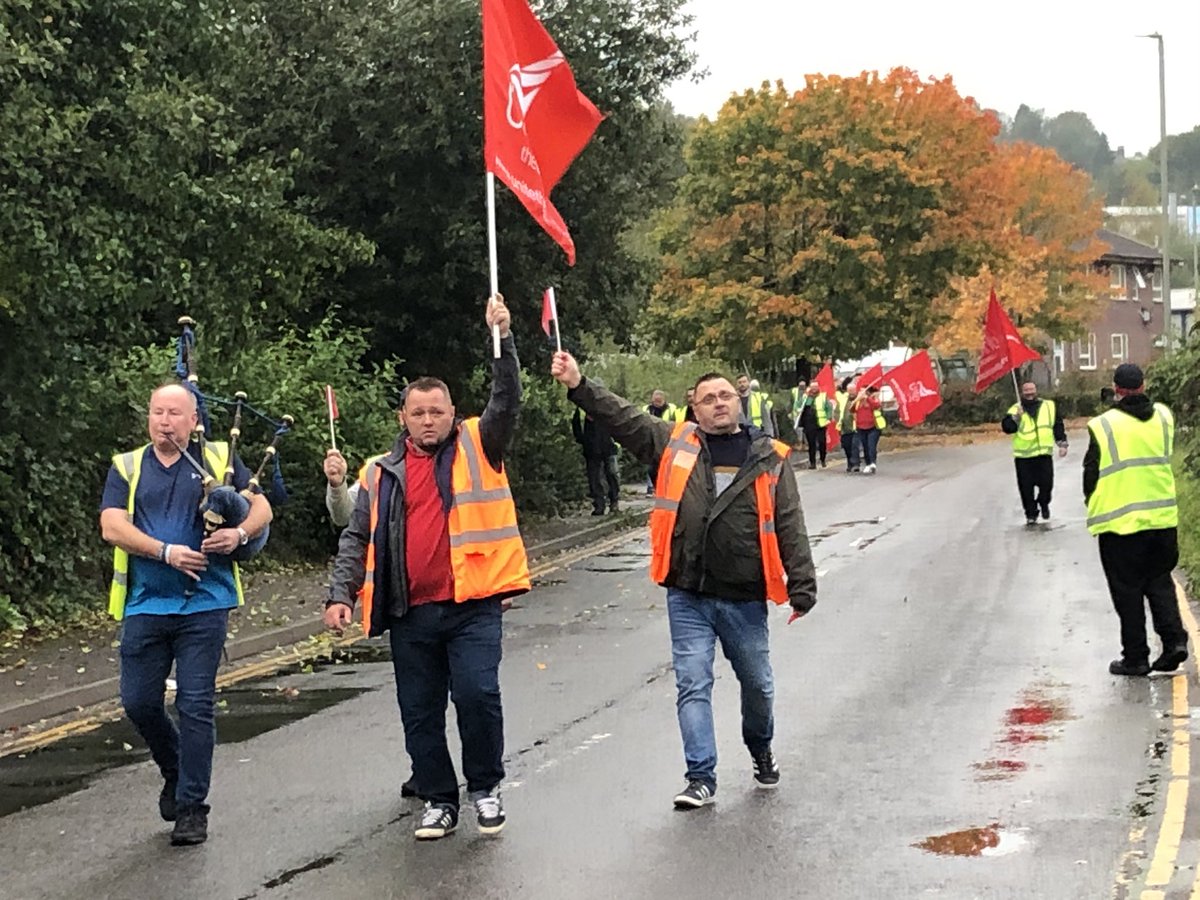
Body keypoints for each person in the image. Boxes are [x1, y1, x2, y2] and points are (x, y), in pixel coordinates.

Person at [550, 352, 818, 811]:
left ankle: (760, 748)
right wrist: (579, 384)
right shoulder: (673, 443)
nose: (718, 404)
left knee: (758, 686)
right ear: (694, 409)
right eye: (708, 399)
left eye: (725, 397)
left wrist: (803, 584)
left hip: (743, 595)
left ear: (739, 402)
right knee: (693, 684)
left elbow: (790, 522)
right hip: (688, 593)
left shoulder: (770, 458)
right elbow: (622, 417)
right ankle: (700, 777)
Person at [324, 296, 529, 841]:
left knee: (477, 695)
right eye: (418, 412)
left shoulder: (481, 444)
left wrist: (503, 341)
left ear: (452, 412)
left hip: (473, 606)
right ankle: (439, 798)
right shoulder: (378, 472)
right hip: (409, 611)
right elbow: (355, 535)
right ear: (404, 418)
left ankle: (485, 787)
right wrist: (340, 592)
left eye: (437, 410)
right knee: (419, 712)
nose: (429, 419)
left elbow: (507, 399)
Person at [99, 383, 273, 846]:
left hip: (206, 602)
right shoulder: (128, 465)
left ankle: (193, 808)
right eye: (157, 411)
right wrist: (165, 551)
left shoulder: (217, 458)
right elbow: (111, 525)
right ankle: (175, 769)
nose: (164, 420)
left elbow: (261, 508)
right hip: (146, 603)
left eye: (175, 412)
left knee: (195, 704)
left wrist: (238, 536)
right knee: (138, 702)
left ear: (194, 419)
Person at [1083, 364, 1188, 677]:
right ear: (1144, 385)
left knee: (1127, 593)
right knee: (1160, 582)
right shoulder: (1165, 417)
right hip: (1162, 518)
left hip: (1120, 524)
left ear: (1116, 389)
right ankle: (1174, 643)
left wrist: (1092, 500)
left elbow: (1091, 473)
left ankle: (1136, 658)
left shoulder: (1103, 425)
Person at [1001, 382, 1068, 525]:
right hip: (1023, 457)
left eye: (1031, 389)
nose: (1029, 392)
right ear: (1022, 392)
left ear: (1036, 390)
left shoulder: (1049, 406)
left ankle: (1043, 504)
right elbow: (1007, 428)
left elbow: (1057, 425)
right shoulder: (1015, 409)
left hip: (1043, 455)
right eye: (1026, 390)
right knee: (1026, 489)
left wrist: (1062, 443)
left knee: (1047, 486)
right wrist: (1016, 418)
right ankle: (1031, 514)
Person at [573, 406, 622, 514]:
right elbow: (576, 427)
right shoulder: (580, 411)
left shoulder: (604, 406)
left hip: (608, 447)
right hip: (591, 449)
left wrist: (615, 444)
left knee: (612, 475)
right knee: (594, 478)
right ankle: (599, 505)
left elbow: (616, 426)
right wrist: (583, 441)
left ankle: (614, 501)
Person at [794, 383, 833, 469]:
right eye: (812, 387)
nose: (814, 388)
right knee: (811, 444)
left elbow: (829, 407)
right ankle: (812, 463)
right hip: (809, 423)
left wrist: (829, 418)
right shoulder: (805, 397)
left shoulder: (823, 396)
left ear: (818, 387)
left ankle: (823, 459)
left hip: (821, 424)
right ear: (810, 388)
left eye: (815, 387)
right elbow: (797, 405)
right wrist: (798, 409)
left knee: (822, 442)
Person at [642, 389, 675, 492]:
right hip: (650, 440)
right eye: (656, 399)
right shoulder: (646, 409)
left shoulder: (671, 409)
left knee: (665, 465)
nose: (657, 401)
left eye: (659, 400)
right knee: (651, 466)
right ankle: (651, 487)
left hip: (667, 440)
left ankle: (664, 486)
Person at [853, 385, 886, 474]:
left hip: (873, 427)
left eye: (863, 391)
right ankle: (868, 464)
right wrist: (857, 399)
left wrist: (868, 398)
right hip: (861, 427)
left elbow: (876, 406)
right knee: (865, 446)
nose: (861, 393)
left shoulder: (873, 399)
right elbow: (851, 409)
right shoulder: (858, 402)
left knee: (871, 445)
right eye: (860, 391)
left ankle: (872, 463)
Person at [838, 382, 860, 473]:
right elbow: (837, 411)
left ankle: (855, 464)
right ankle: (849, 463)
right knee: (847, 447)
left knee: (854, 446)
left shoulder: (859, 399)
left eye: (853, 390)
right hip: (844, 428)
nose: (851, 392)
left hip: (855, 428)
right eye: (849, 390)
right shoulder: (843, 399)